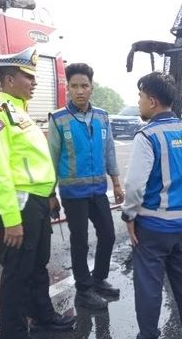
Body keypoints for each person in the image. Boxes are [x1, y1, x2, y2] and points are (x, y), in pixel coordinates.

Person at [0, 46, 75, 339]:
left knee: (37, 266)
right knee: (17, 274)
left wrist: (49, 195)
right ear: (9, 80)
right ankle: (14, 333)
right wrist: (11, 219)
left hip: (37, 203)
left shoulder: (21, 113)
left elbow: (35, 164)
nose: (34, 83)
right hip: (18, 206)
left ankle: (43, 317)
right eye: (28, 77)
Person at [121, 71, 182, 339]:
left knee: (149, 286)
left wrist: (129, 216)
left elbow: (135, 185)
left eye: (141, 96)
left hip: (154, 226)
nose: (139, 102)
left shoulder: (147, 137)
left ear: (153, 101)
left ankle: (148, 335)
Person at [48, 63, 124, 310]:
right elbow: (51, 158)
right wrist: (50, 193)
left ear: (92, 88)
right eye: (74, 86)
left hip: (98, 190)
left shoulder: (102, 116)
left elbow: (110, 149)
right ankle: (83, 290)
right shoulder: (59, 119)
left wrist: (116, 181)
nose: (79, 91)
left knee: (108, 235)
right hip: (73, 194)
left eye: (84, 86)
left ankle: (99, 279)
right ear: (67, 88)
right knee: (79, 241)